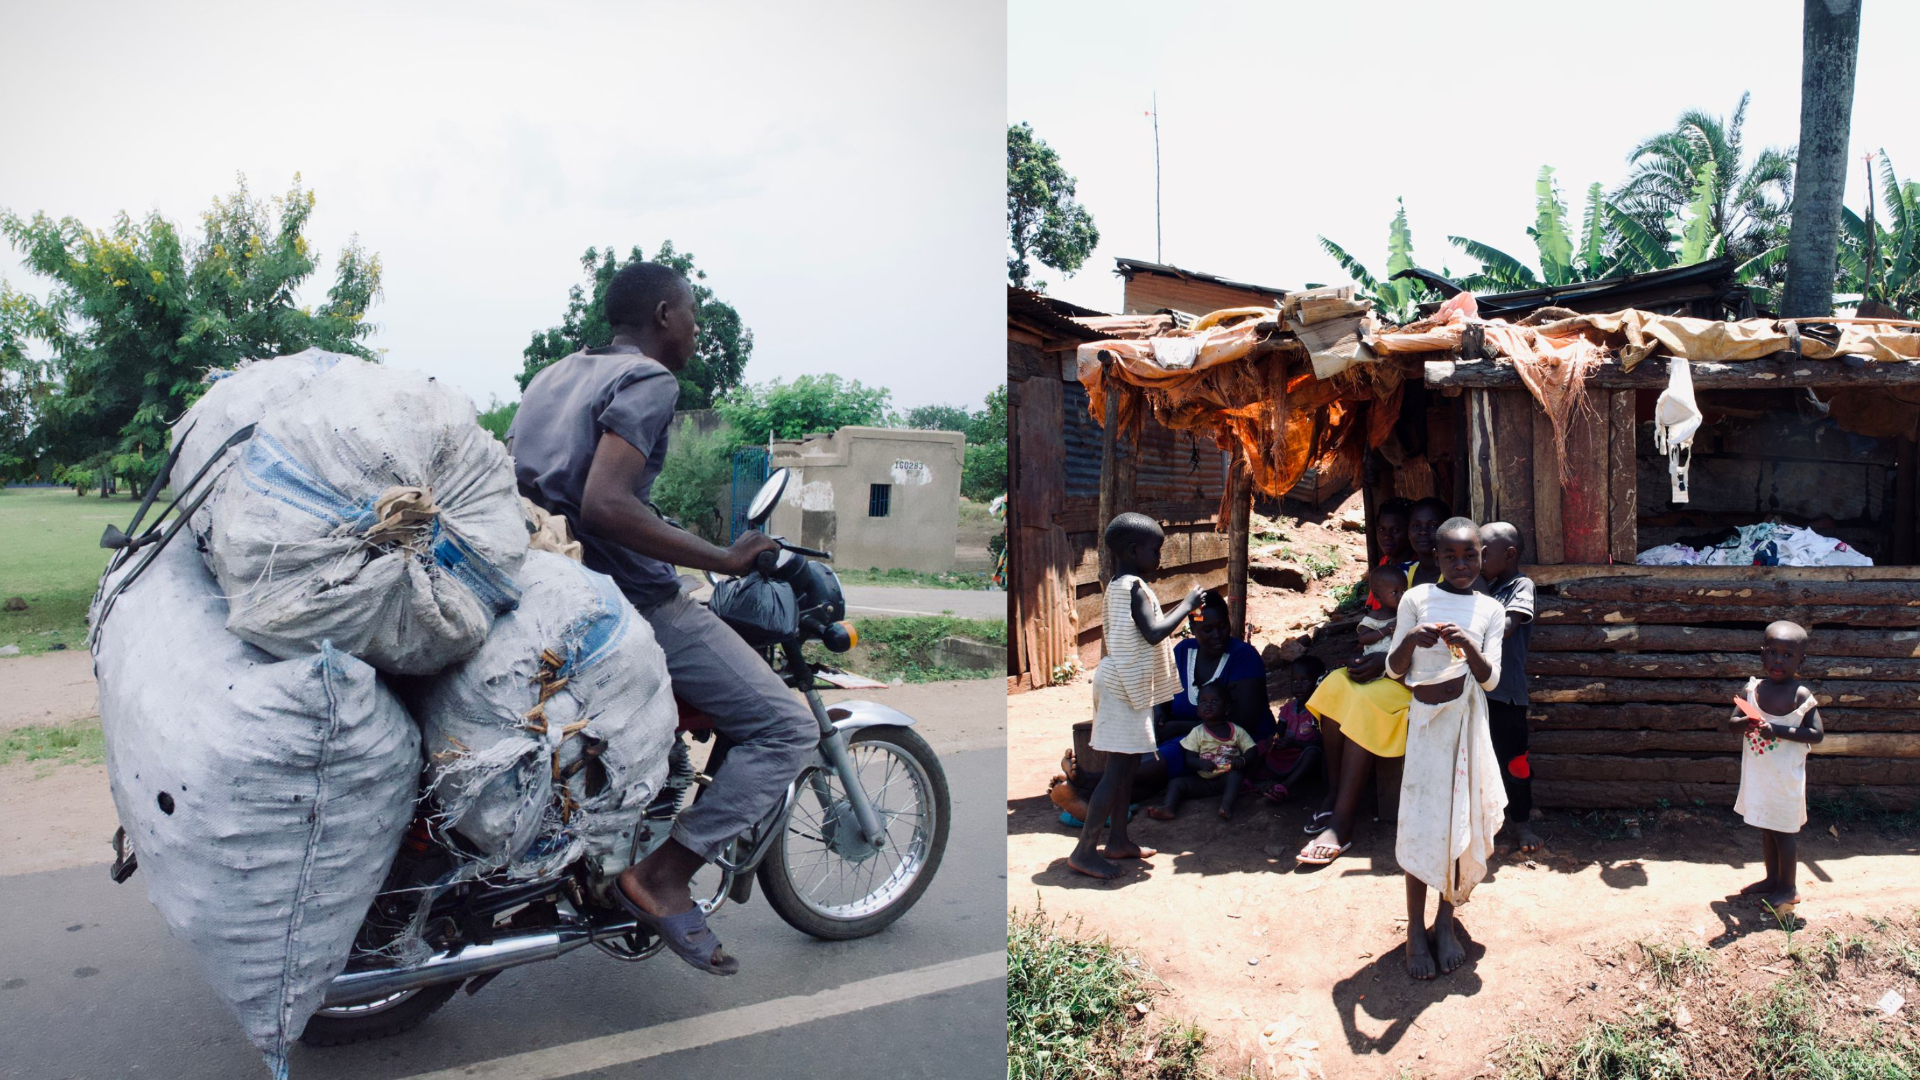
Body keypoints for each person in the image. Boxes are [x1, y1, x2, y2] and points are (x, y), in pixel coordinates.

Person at [509, 261, 815, 976]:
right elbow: (606, 505)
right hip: (627, 597)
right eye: (694, 315)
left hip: (544, 589)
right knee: (786, 725)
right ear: (663, 315)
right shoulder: (650, 380)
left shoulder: (553, 376)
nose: (698, 331)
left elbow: (561, 493)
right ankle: (663, 874)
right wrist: (724, 557)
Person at [1386, 516, 1508, 980]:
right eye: (1450, 556)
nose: (1461, 564)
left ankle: (1445, 922)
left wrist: (1469, 648)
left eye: (1470, 555)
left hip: (1466, 726)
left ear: (1482, 556)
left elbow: (1491, 679)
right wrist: (1414, 639)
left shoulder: (1489, 610)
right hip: (1426, 729)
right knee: (1422, 825)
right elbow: (1395, 670)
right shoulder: (1417, 599)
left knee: (1460, 824)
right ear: (1435, 558)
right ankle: (1415, 929)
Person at [1070, 512, 1204, 879]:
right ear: (1133, 550)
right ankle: (1084, 850)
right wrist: (1188, 605)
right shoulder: (1133, 587)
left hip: (1125, 686)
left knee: (1126, 769)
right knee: (1116, 772)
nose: (1160, 557)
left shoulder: (1119, 584)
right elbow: (1154, 633)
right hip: (1121, 689)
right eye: (1155, 549)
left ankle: (1118, 842)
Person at [1729, 620, 1824, 910]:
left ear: (1801, 661)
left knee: (1784, 832)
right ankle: (1772, 879)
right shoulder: (1753, 690)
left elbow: (1817, 735)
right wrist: (1745, 722)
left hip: (1785, 780)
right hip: (1760, 776)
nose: (1778, 660)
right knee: (1767, 829)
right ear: (1762, 654)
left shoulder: (1801, 696)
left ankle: (1789, 888)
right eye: (1772, 652)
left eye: (1787, 655)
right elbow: (1732, 723)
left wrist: (1778, 730)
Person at [1477, 521, 1541, 853]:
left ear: (1510, 554)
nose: (1477, 560)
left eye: (1483, 554)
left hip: (1508, 695)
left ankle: (1522, 823)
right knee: (1479, 762)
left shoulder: (1521, 586)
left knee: (1514, 762)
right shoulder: (1483, 585)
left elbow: (1505, 627)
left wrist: (1478, 589)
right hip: (1477, 694)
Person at [1160, 590, 1275, 741]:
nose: (1217, 635)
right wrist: (1159, 716)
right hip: (1185, 744)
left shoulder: (1244, 657)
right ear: (1193, 629)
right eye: (1208, 630)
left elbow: (1243, 724)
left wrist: (1178, 727)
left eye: (1223, 626)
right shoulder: (1182, 652)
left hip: (1237, 747)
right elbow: (1163, 700)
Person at [1147, 684, 1254, 821]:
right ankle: (1168, 807)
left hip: (1225, 779)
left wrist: (1243, 760)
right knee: (1176, 783)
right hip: (1203, 782)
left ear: (1227, 708)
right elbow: (1189, 758)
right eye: (1203, 701)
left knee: (1236, 775)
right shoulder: (1196, 732)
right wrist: (1200, 763)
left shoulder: (1236, 731)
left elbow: (1252, 749)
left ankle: (1226, 806)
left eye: (1214, 701)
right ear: (1197, 709)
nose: (1208, 705)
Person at [1253, 656, 1326, 804]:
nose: (1298, 686)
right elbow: (1279, 730)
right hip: (1286, 753)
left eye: (1304, 680)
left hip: (1302, 756)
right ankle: (1249, 780)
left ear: (1318, 682)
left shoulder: (1320, 710)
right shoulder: (1288, 708)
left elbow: (1320, 744)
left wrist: (1294, 744)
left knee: (1313, 753)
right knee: (1260, 746)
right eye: (1294, 681)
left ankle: (1286, 786)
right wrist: (1274, 739)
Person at [1365, 498, 1416, 612]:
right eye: (1382, 529)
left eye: (1396, 530)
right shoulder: (1385, 561)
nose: (1387, 536)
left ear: (1410, 531)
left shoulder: (1416, 570)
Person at [1357, 564, 1406, 656]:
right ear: (1377, 596)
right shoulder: (1375, 615)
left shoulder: (1406, 613)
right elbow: (1363, 639)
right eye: (1395, 592)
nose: (1401, 596)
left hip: (1397, 659)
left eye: (1403, 591)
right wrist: (1385, 630)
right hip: (1374, 658)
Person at [1405, 497, 1452, 587]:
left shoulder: (1457, 576)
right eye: (1416, 525)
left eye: (1433, 525)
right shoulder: (1401, 574)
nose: (1423, 532)